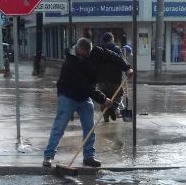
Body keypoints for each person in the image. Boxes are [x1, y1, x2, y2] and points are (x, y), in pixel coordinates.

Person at [43, 37, 134, 168]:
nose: (83, 57)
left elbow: (113, 56)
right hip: (68, 95)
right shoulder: (70, 63)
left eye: (86, 55)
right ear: (77, 49)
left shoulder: (95, 52)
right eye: (81, 55)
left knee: (90, 127)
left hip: (85, 97)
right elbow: (85, 86)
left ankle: (89, 156)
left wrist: (127, 67)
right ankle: (48, 156)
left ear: (90, 50)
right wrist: (103, 99)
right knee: (59, 126)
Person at [97, 32, 126, 122]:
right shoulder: (116, 49)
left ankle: (106, 117)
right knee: (119, 94)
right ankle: (112, 108)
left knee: (104, 98)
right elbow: (121, 62)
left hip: (101, 79)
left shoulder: (97, 49)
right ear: (111, 39)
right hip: (115, 78)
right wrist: (126, 70)